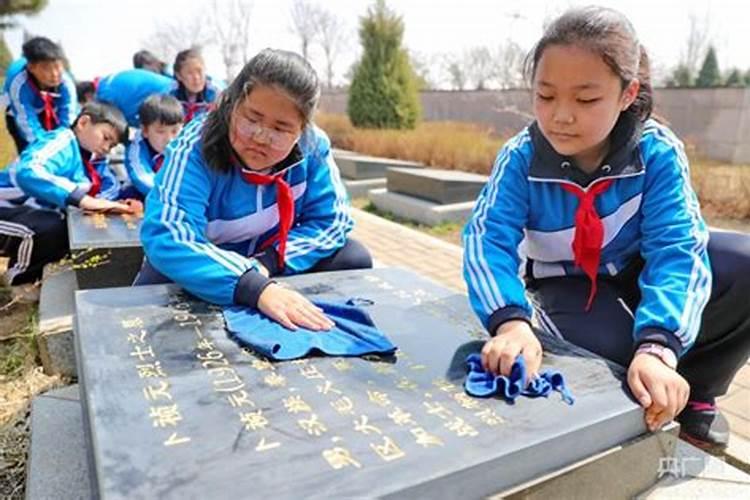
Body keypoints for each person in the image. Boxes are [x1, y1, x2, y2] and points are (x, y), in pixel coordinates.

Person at [463, 6, 750, 451]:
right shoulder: (520, 158)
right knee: (610, 365)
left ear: (626, 93)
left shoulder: (656, 153)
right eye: (546, 95)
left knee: (743, 267)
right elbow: (487, 240)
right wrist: (510, 323)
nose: (561, 116)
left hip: (637, 273)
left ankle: (694, 390)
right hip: (569, 285)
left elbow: (676, 250)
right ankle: (644, 374)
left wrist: (658, 347)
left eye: (586, 99)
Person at [137, 48, 372, 331]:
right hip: (203, 268)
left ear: (302, 129)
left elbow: (333, 221)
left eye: (281, 129)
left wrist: (268, 261)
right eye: (251, 119)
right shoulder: (195, 147)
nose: (260, 138)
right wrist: (253, 286)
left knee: (352, 256)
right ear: (233, 104)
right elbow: (168, 232)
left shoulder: (313, 147)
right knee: (152, 293)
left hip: (266, 259)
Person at [0, 101, 133, 292]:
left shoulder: (92, 160)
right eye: (105, 138)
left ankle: (32, 269)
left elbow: (106, 187)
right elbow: (28, 171)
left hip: (24, 215)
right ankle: (20, 280)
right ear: (83, 123)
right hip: (6, 207)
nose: (106, 148)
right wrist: (83, 199)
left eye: (111, 145)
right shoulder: (61, 140)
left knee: (67, 228)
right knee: (50, 227)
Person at [3, 36, 78, 153]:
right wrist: (45, 149)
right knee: (32, 153)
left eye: (58, 66)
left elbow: (68, 117)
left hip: (49, 110)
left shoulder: (66, 83)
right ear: (31, 67)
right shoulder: (18, 84)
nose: (54, 74)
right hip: (19, 113)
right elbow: (26, 123)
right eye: (46, 68)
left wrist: (61, 144)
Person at [124, 94, 184, 198]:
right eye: (161, 132)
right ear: (145, 130)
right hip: (145, 199)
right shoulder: (136, 148)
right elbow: (142, 178)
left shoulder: (186, 146)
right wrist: (174, 196)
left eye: (175, 131)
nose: (169, 139)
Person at [93, 68, 174, 127]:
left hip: (167, 96)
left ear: (87, 96)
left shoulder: (104, 95)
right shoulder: (109, 83)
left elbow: (115, 124)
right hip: (169, 89)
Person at [169, 48, 223, 123]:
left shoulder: (216, 96)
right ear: (179, 76)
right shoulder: (171, 97)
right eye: (190, 73)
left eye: (199, 71)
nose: (196, 77)